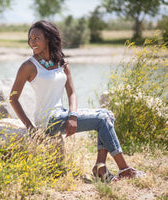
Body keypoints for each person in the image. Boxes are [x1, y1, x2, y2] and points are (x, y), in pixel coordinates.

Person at [9, 20, 145, 182]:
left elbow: (72, 92)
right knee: (102, 119)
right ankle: (124, 169)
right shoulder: (29, 66)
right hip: (47, 120)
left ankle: (99, 167)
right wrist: (31, 128)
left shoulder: (61, 63)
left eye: (37, 38)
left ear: (48, 39)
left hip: (62, 113)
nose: (32, 42)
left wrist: (72, 116)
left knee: (108, 114)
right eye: (30, 38)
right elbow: (13, 98)